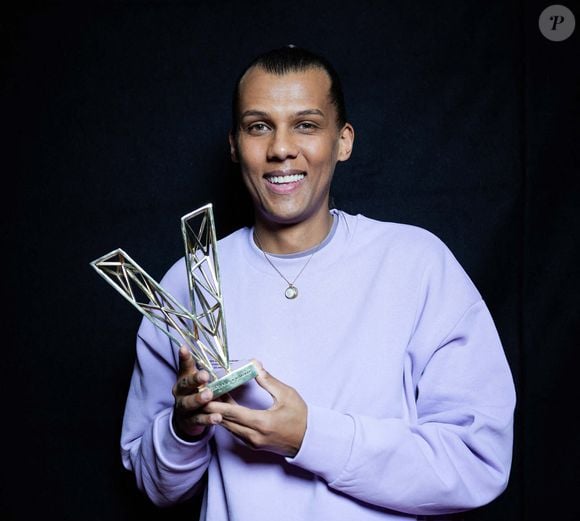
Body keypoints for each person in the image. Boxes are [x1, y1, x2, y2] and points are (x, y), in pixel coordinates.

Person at [120, 46, 516, 520]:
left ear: (343, 141)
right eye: (258, 126)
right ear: (233, 144)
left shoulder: (417, 264)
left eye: (305, 124)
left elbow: (478, 462)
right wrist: (184, 429)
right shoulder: (190, 281)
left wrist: (311, 437)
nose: (281, 148)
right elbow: (156, 487)